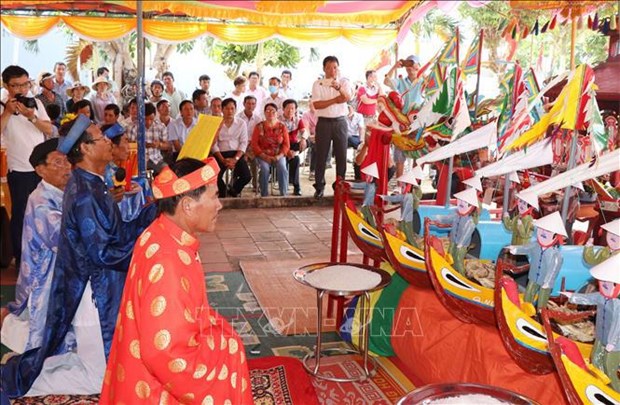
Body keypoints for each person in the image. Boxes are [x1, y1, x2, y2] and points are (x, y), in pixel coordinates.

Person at [1, 115, 157, 398]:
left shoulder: (94, 184)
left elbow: (117, 232)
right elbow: (103, 254)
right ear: (85, 149)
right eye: (102, 138)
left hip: (95, 290)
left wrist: (153, 210)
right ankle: (16, 381)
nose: (109, 141)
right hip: (93, 295)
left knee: (92, 358)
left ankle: (22, 369)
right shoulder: (85, 193)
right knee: (102, 379)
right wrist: (147, 243)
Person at [100, 158, 252, 404]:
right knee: (231, 352)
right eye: (213, 197)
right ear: (188, 205)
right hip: (156, 387)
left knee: (227, 339)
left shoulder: (160, 232)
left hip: (141, 363)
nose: (219, 205)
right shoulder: (167, 261)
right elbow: (164, 353)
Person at [1, 139, 71, 354]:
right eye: (58, 163)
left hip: (59, 269)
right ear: (41, 170)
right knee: (41, 343)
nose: (67, 167)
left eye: (67, 161)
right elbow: (64, 237)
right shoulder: (40, 201)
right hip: (42, 277)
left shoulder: (64, 191)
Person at [1, 65, 54, 266]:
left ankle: (43, 255)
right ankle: (21, 258)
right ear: (6, 85)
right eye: (16, 85)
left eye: (25, 84)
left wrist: (31, 116)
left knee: (44, 211)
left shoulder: (36, 103)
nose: (22, 89)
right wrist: (7, 112)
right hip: (19, 169)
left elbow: (49, 129)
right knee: (21, 215)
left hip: (42, 168)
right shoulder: (2, 105)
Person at [565, 255, 620, 391]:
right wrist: (572, 296)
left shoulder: (618, 304)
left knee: (609, 365)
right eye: (602, 283)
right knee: (596, 358)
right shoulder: (601, 297)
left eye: (607, 284)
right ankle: (601, 383)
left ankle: (615, 390)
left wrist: (612, 343)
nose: (604, 287)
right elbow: (588, 299)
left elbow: (618, 326)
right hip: (601, 336)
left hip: (615, 343)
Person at [508, 211, 567, 311]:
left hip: (545, 282)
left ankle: (541, 314)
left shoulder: (555, 254)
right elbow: (525, 248)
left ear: (555, 236)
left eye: (547, 231)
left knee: (542, 301)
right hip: (534, 276)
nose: (543, 233)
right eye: (541, 230)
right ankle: (526, 309)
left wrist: (548, 282)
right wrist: (514, 249)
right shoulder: (535, 245)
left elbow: (553, 270)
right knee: (528, 294)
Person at [311, 55, 352, 199]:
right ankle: (319, 187)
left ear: (338, 68)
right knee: (321, 155)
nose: (332, 70)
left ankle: (339, 186)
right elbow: (316, 104)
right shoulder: (318, 84)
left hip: (340, 122)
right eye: (329, 67)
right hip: (323, 123)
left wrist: (339, 88)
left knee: (341, 155)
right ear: (324, 69)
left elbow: (347, 98)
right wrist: (335, 100)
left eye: (335, 67)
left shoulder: (344, 82)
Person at [384, 54, 425, 181]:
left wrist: (422, 72)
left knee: (419, 155)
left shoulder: (423, 81)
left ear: (418, 65)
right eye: (407, 64)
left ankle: (414, 185)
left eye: (412, 63)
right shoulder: (401, 81)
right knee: (400, 155)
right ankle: (400, 185)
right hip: (402, 121)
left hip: (419, 121)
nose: (409, 66)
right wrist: (395, 66)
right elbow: (386, 81)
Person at [211, 98, 251, 198]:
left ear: (235, 110)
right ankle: (222, 190)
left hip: (236, 154)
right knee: (214, 176)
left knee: (246, 176)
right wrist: (222, 159)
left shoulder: (241, 123)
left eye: (232, 109)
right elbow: (213, 144)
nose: (230, 111)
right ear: (222, 109)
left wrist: (235, 159)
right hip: (220, 153)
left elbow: (243, 142)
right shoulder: (216, 123)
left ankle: (233, 190)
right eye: (227, 109)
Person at [435, 187, 480, 275]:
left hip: (461, 244)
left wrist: (461, 244)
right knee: (450, 255)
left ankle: (461, 275)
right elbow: (447, 219)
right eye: (460, 201)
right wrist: (438, 218)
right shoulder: (456, 215)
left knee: (458, 259)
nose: (461, 203)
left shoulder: (470, 221)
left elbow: (467, 234)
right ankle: (451, 270)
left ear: (471, 207)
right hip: (453, 240)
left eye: (465, 202)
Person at [252, 103, 290, 197]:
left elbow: (286, 145)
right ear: (264, 113)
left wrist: (279, 156)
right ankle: (264, 195)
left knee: (282, 167)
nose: (270, 113)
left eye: (273, 111)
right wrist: (264, 156)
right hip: (262, 155)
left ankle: (283, 194)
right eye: (268, 111)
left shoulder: (282, 127)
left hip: (278, 154)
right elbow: (254, 144)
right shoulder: (259, 126)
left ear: (277, 113)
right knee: (264, 169)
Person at [127, 102, 170, 175]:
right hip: (138, 160)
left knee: (167, 173)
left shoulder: (161, 127)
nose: (148, 122)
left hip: (156, 159)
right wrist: (140, 145)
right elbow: (129, 147)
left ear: (155, 116)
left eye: (151, 119)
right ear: (140, 117)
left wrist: (159, 145)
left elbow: (167, 146)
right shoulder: (132, 128)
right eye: (145, 119)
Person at [281, 99, 307, 196]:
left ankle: (297, 187)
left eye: (293, 108)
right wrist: (287, 150)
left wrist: (303, 138)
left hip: (293, 145)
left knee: (306, 143)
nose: (290, 111)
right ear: (283, 109)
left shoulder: (298, 119)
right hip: (281, 145)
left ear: (296, 110)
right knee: (294, 159)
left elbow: (304, 131)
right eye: (288, 108)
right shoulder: (278, 120)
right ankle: (288, 184)